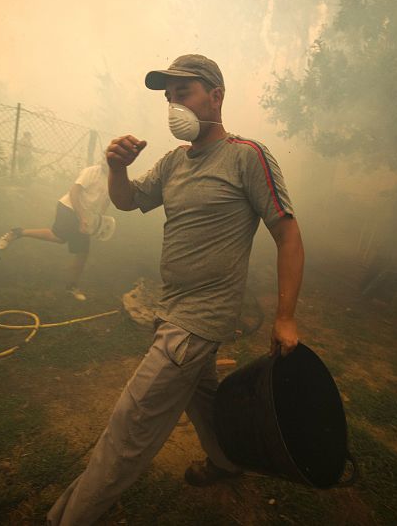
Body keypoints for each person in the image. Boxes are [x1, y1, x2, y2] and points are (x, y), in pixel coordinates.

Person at [47, 54, 305, 525]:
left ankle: (69, 518)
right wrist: (117, 167)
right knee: (202, 397)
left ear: (216, 96)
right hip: (174, 308)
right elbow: (127, 202)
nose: (172, 106)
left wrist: (285, 316)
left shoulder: (247, 156)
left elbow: (287, 233)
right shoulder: (172, 163)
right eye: (168, 97)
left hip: (199, 320)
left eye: (182, 93)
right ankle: (227, 464)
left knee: (132, 421)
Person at [0, 160, 114, 301]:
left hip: (86, 215)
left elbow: (107, 200)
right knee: (59, 237)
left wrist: (98, 220)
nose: (107, 161)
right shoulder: (92, 172)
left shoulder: (115, 179)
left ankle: (71, 287)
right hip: (69, 207)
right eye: (107, 157)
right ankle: (16, 233)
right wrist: (81, 216)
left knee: (81, 252)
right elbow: (74, 192)